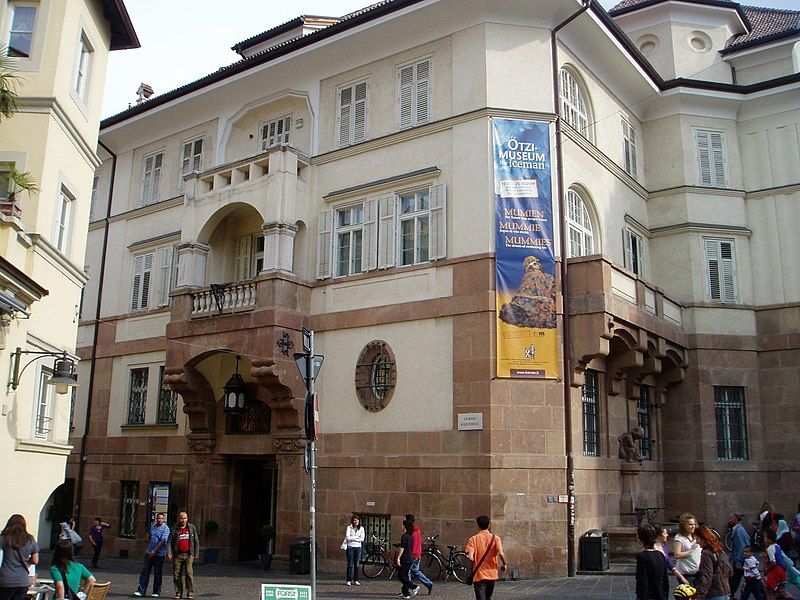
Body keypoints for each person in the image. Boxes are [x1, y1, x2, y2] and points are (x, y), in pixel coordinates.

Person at [465, 515, 506, 600]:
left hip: (479, 574)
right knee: (488, 597)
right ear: (489, 525)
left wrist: (472, 558)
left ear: (478, 525)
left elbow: (470, 556)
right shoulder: (496, 539)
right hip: (492, 574)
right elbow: (501, 553)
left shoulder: (473, 539)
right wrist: (504, 564)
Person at [0, 514, 39, 600]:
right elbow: (35, 560)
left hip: (5, 579)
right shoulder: (30, 539)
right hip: (22, 580)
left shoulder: (4, 538)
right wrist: (27, 562)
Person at [135, 512, 170, 598]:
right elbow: (149, 537)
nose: (160, 520)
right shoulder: (152, 526)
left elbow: (163, 541)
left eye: (161, 518)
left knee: (158, 573)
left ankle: (156, 591)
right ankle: (141, 591)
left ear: (163, 519)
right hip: (149, 552)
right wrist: (149, 548)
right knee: (145, 572)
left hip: (159, 554)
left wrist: (154, 551)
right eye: (158, 518)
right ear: (156, 518)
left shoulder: (166, 528)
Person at [167, 512, 199, 600]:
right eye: (182, 518)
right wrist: (169, 552)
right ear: (179, 518)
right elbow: (169, 541)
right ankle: (178, 593)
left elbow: (196, 540)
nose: (183, 520)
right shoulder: (174, 528)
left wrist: (196, 553)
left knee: (189, 574)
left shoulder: (191, 527)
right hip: (177, 555)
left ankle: (190, 593)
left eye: (185, 518)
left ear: (187, 518)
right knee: (177, 575)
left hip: (189, 555)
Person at [695, 524, 732, 600]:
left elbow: (706, 576)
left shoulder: (706, 554)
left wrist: (699, 596)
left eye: (697, 539)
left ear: (704, 539)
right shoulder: (720, 551)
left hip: (714, 594)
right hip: (725, 592)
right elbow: (730, 571)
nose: (696, 542)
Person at [635, 524, 669, 600]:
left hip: (648, 595)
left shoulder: (642, 556)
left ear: (640, 539)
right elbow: (665, 579)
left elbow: (642, 581)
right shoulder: (660, 555)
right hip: (660, 595)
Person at [405, 514, 433, 595]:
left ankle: (409, 589)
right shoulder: (417, 530)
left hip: (413, 555)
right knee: (414, 571)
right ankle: (428, 583)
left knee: (408, 571)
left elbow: (412, 543)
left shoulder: (412, 531)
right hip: (417, 554)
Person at [763, 530, 796, 600]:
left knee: (769, 590)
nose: (764, 540)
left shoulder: (769, 548)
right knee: (780, 590)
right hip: (781, 571)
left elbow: (773, 562)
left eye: (765, 538)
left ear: (770, 539)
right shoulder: (777, 546)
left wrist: (766, 569)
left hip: (774, 572)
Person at [673, 513, 702, 586]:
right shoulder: (679, 538)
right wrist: (691, 551)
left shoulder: (696, 537)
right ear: (684, 526)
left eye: (694, 524)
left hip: (698, 572)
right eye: (690, 524)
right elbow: (677, 554)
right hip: (685, 573)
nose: (693, 526)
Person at [730, 513, 752, 597]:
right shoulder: (740, 529)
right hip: (742, 558)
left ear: (735, 519)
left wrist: (738, 561)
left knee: (735, 579)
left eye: (732, 518)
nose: (730, 520)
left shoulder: (738, 531)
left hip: (739, 560)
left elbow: (740, 546)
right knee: (742, 579)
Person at [396, 519, 418, 599]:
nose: (401, 526)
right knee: (405, 575)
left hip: (405, 558)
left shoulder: (404, 536)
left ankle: (413, 586)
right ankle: (406, 593)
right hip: (410, 558)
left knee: (401, 575)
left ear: (405, 526)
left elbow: (403, 547)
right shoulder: (410, 536)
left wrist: (398, 557)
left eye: (402, 525)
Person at [343, 514, 365, 586]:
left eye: (357, 520)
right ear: (352, 521)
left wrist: (353, 537)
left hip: (358, 548)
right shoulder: (349, 528)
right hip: (350, 547)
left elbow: (362, 539)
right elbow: (347, 537)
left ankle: (356, 579)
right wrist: (356, 537)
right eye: (355, 520)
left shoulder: (361, 528)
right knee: (350, 564)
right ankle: (349, 580)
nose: (356, 521)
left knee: (357, 564)